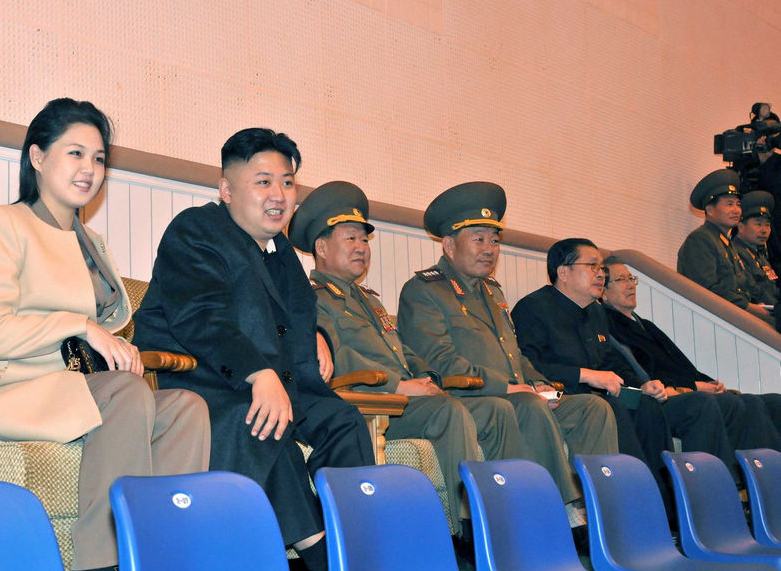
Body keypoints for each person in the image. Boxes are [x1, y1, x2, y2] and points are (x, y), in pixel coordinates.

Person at [0, 98, 211, 571]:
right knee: (125, 394)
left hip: (83, 388)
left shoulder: (92, 242)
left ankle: (161, 564)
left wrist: (116, 346)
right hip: (14, 387)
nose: (89, 169)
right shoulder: (1, 223)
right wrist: (79, 324)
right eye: (75, 153)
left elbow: (107, 332)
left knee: (187, 405)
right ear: (38, 157)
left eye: (98, 159)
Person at [131, 128, 375, 571]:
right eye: (263, 181)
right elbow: (202, 318)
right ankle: (326, 561)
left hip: (279, 380)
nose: (278, 195)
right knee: (264, 417)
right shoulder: (195, 231)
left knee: (343, 419)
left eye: (287, 182)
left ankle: (353, 538)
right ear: (227, 190)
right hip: (204, 381)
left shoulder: (282, 251)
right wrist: (258, 373)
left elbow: (297, 316)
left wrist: (319, 335)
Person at [289, 180, 530, 531]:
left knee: (495, 408)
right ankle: (469, 526)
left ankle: (511, 515)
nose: (361, 248)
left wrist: (427, 377)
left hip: (404, 400)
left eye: (364, 239)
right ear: (321, 247)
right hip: (370, 404)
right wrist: (400, 386)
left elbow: (405, 352)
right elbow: (340, 361)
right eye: (350, 238)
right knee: (449, 411)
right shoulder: (311, 299)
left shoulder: (369, 299)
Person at [398, 182, 617, 520]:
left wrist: (539, 382)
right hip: (473, 398)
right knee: (526, 404)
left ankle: (602, 511)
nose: (490, 249)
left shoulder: (493, 294)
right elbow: (439, 361)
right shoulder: (424, 291)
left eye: (495, 240)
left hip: (516, 394)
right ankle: (556, 511)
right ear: (449, 244)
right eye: (479, 239)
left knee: (591, 408)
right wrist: (507, 387)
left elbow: (516, 356)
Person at [511, 238, 737, 488]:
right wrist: (584, 374)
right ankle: (635, 494)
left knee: (647, 404)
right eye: (593, 267)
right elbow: (529, 365)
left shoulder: (596, 312)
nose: (600, 275)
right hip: (569, 396)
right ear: (563, 272)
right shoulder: (533, 308)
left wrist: (643, 385)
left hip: (608, 394)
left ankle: (667, 501)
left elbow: (611, 361)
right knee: (616, 408)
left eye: (602, 269)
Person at [602, 257, 781, 442]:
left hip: (687, 386)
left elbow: (681, 364)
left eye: (632, 279)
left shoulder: (646, 325)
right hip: (664, 396)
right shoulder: (609, 326)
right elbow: (645, 372)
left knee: (774, 403)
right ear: (604, 293)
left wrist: (709, 382)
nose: (631, 285)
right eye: (622, 279)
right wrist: (694, 386)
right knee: (732, 404)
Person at [677, 169, 774, 326]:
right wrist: (749, 307)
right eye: (729, 204)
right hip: (716, 321)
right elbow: (707, 289)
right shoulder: (700, 240)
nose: (736, 210)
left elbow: (746, 286)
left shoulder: (725, 242)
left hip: (734, 316)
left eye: (737, 204)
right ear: (710, 210)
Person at [732, 190, 779, 308]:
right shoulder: (735, 252)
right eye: (758, 224)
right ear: (741, 227)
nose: (764, 230)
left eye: (767, 225)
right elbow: (753, 291)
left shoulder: (759, 256)